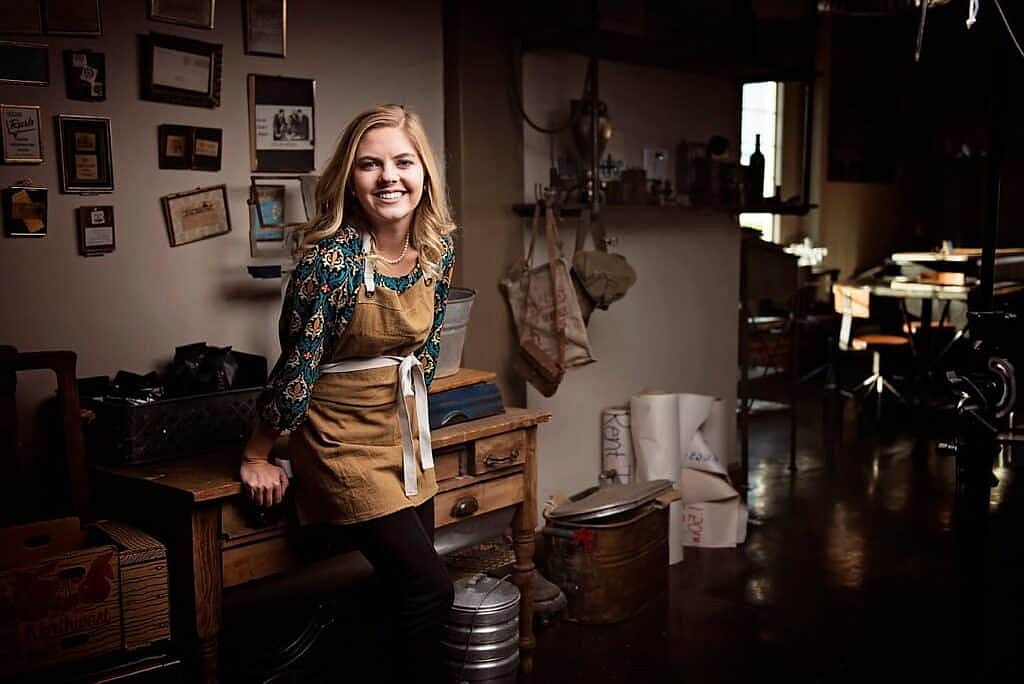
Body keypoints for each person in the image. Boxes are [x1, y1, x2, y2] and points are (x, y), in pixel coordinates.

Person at [240, 104, 457, 682]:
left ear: (424, 174)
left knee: (399, 591)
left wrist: (414, 415)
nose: (389, 178)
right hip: (339, 442)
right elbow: (298, 370)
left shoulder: (437, 249)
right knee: (432, 588)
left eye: (403, 162)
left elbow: (429, 349)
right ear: (350, 179)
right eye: (371, 165)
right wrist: (258, 454)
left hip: (403, 434)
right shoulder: (330, 263)